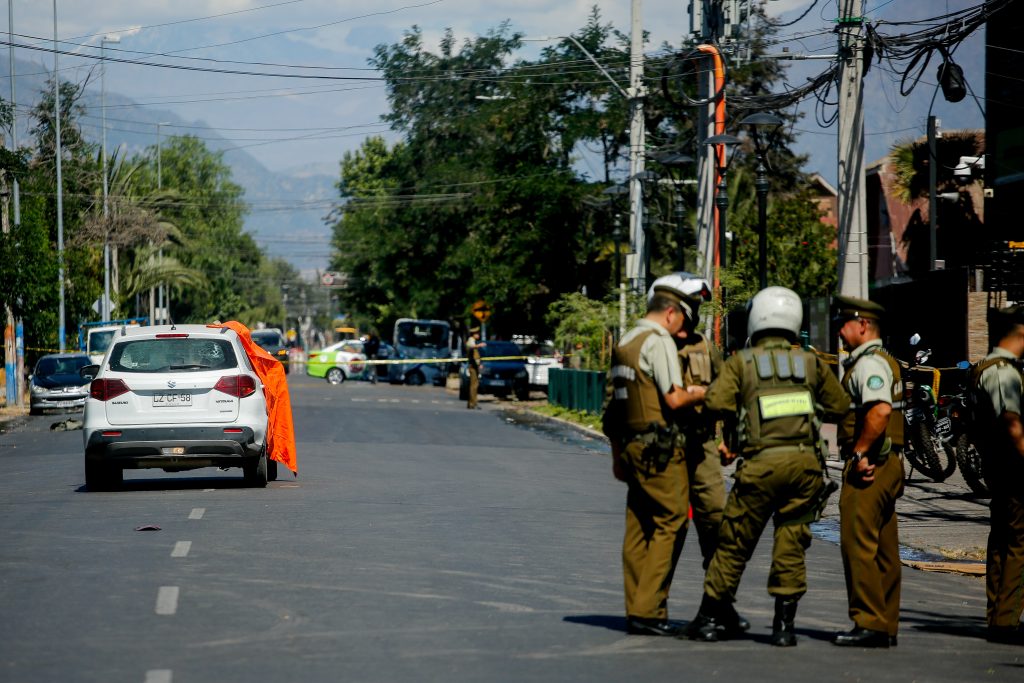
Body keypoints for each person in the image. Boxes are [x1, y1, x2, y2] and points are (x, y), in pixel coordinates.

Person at [687, 286, 850, 647]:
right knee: (791, 541)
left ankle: (710, 619)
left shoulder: (742, 362)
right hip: (805, 467)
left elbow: (715, 402)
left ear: (757, 319)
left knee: (733, 542)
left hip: (760, 467)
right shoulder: (810, 363)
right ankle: (783, 628)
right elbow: (839, 407)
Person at [602, 279, 706, 636]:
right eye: (683, 321)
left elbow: (611, 412)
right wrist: (701, 392)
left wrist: (617, 457)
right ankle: (649, 610)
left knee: (639, 527)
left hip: (630, 447)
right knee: (672, 521)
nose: (683, 331)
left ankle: (637, 608)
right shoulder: (657, 340)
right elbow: (674, 399)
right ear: (671, 313)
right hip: (659, 448)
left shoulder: (626, 341)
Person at [831, 295, 904, 648]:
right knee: (885, 549)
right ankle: (885, 623)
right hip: (889, 465)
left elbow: (878, 411)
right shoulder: (886, 360)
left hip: (871, 465)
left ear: (862, 326)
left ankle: (869, 622)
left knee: (858, 543)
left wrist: (859, 452)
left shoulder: (868, 365)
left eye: (843, 324)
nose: (839, 332)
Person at [648, 273, 726, 568]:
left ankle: (716, 605)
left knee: (716, 516)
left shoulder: (705, 347)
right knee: (668, 527)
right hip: (665, 446)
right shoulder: (650, 346)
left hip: (702, 444)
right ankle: (654, 607)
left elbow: (728, 390)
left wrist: (730, 439)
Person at [971, 305, 1024, 645]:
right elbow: (1013, 424)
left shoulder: (984, 368)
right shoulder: (1003, 373)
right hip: (1013, 470)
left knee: (1001, 540)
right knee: (1018, 544)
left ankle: (997, 614)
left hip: (998, 468)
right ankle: (1006, 620)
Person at [466, 327, 486, 409]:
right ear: (473, 334)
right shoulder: (471, 340)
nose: (478, 335)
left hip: (475, 366)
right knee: (473, 385)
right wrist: (479, 345)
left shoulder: (473, 341)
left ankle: (472, 403)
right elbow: (471, 346)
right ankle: (472, 403)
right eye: (477, 333)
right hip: (473, 367)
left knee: (474, 385)